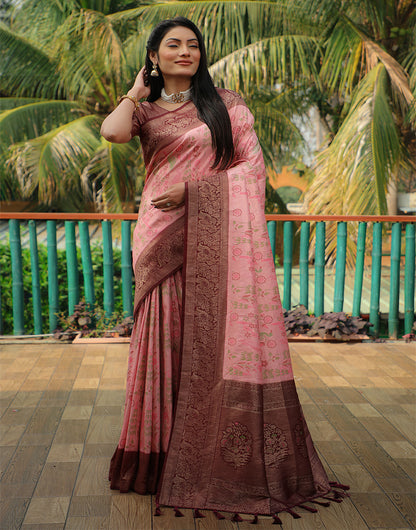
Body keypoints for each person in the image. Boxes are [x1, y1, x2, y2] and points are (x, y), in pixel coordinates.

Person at [101, 16, 348, 522]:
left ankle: (206, 454)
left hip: (214, 234)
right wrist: (133, 91)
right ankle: (154, 458)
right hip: (160, 234)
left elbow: (250, 171)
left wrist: (194, 192)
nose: (186, 52)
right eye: (173, 45)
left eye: (193, 45)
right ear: (155, 55)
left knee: (212, 340)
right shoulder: (144, 111)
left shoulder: (227, 105)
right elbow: (112, 133)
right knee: (163, 340)